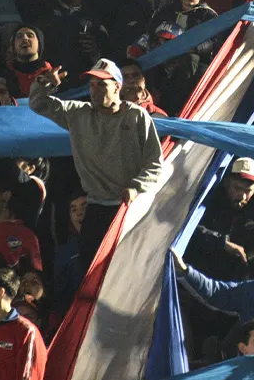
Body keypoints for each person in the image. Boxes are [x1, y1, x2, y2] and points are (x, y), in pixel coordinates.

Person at [28, 60, 162, 262]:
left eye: (101, 84)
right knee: (91, 269)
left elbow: (154, 163)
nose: (95, 90)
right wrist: (44, 83)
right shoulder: (78, 113)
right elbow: (38, 104)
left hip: (130, 207)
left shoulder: (136, 116)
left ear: (117, 86)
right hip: (96, 208)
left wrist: (136, 188)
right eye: (92, 85)